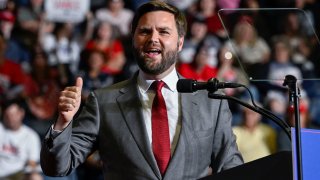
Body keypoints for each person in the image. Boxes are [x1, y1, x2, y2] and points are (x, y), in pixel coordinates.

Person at [40, 1, 243, 179]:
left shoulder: (211, 102)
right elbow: (58, 167)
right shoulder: (102, 101)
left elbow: (231, 167)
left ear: (180, 43)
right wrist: (62, 124)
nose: (153, 38)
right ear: (134, 39)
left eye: (163, 31)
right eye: (145, 31)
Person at [0, 99, 42, 180]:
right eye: (8, 115)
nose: (10, 118)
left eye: (14, 114)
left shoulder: (31, 136)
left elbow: (32, 162)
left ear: (21, 113)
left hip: (18, 174)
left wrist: (32, 170)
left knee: (36, 177)